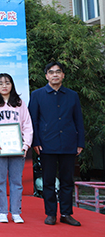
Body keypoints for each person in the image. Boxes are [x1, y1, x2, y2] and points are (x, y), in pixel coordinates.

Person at [29, 61, 84, 226]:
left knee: (67, 181)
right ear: (46, 76)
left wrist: (80, 142)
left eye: (58, 72)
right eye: (51, 72)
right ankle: (51, 213)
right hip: (46, 144)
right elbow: (33, 121)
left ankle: (66, 213)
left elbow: (78, 120)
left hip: (69, 143)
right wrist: (35, 142)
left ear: (63, 75)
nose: (55, 75)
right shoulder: (37, 95)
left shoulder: (72, 95)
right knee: (48, 181)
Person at [0, 73, 33, 224]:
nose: (4, 86)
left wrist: (26, 144)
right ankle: (2, 211)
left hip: (18, 149)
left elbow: (27, 125)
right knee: (0, 181)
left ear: (12, 85)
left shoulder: (19, 103)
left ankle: (16, 212)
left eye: (7, 83)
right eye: (0, 83)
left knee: (16, 182)